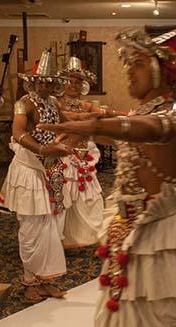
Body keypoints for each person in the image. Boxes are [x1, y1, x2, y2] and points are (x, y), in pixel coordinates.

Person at [39, 26, 176, 327]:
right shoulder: (140, 112)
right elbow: (128, 128)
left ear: (159, 70)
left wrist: (94, 123)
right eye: (127, 64)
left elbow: (146, 128)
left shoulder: (175, 112)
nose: (128, 72)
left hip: (162, 232)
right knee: (119, 312)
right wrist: (92, 125)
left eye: (136, 63)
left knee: (160, 316)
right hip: (127, 225)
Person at [0, 50, 72, 301]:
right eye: (41, 80)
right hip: (28, 170)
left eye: (49, 81)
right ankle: (29, 283)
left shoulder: (53, 103)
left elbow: (67, 123)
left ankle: (45, 279)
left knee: (49, 228)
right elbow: (18, 133)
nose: (44, 84)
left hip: (49, 169)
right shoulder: (23, 103)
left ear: (53, 83)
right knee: (30, 228)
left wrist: (64, 139)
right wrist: (43, 149)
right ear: (33, 80)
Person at [56, 56, 104, 249]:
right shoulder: (56, 103)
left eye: (78, 82)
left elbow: (102, 114)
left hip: (86, 157)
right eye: (70, 81)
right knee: (66, 198)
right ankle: (61, 240)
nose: (74, 85)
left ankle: (98, 238)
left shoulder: (86, 105)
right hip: (65, 156)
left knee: (92, 199)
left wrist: (128, 117)